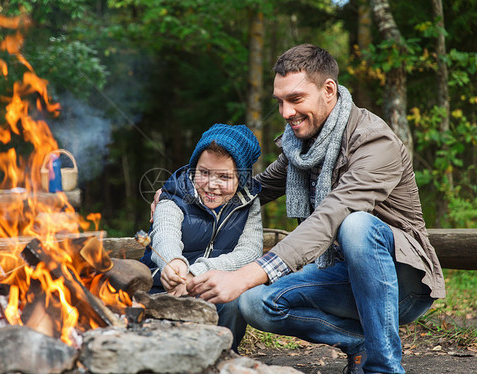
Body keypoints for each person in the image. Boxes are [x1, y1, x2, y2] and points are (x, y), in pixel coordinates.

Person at [182, 44, 446, 374]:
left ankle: (384, 367)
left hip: (403, 285)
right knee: (253, 302)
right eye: (279, 101)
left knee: (356, 225)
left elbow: (331, 215)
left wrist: (248, 273)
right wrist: (180, 197)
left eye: (295, 99)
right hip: (340, 273)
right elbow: (254, 190)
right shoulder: (302, 147)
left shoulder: (375, 142)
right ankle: (360, 343)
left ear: (329, 90)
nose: (285, 112)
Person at [141, 123, 263, 352]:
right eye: (204, 172)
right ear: (193, 168)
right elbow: (165, 233)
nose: (211, 185)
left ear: (241, 178)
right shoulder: (175, 194)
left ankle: (224, 353)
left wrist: (197, 272)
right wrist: (174, 263)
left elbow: (250, 252)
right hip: (165, 286)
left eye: (224, 177)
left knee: (233, 301)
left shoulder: (248, 202)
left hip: (211, 287)